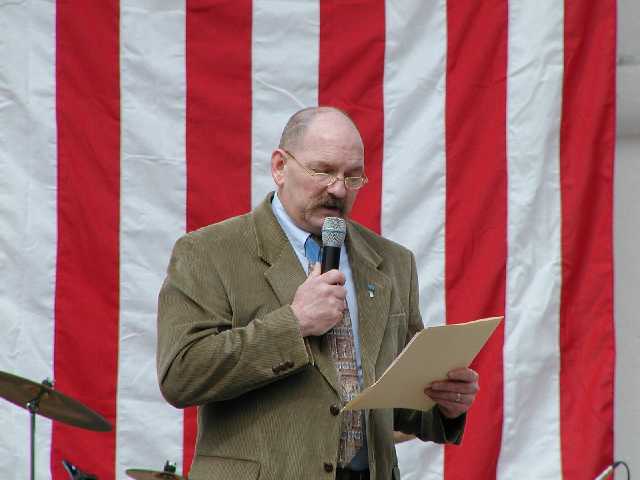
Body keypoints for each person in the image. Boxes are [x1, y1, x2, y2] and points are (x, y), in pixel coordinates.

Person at [156, 106, 480, 480]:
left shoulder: (392, 263)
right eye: (323, 171)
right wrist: (293, 324)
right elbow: (181, 374)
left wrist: (444, 403)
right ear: (280, 166)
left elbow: (396, 401)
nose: (339, 189)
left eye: (353, 176)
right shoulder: (209, 252)